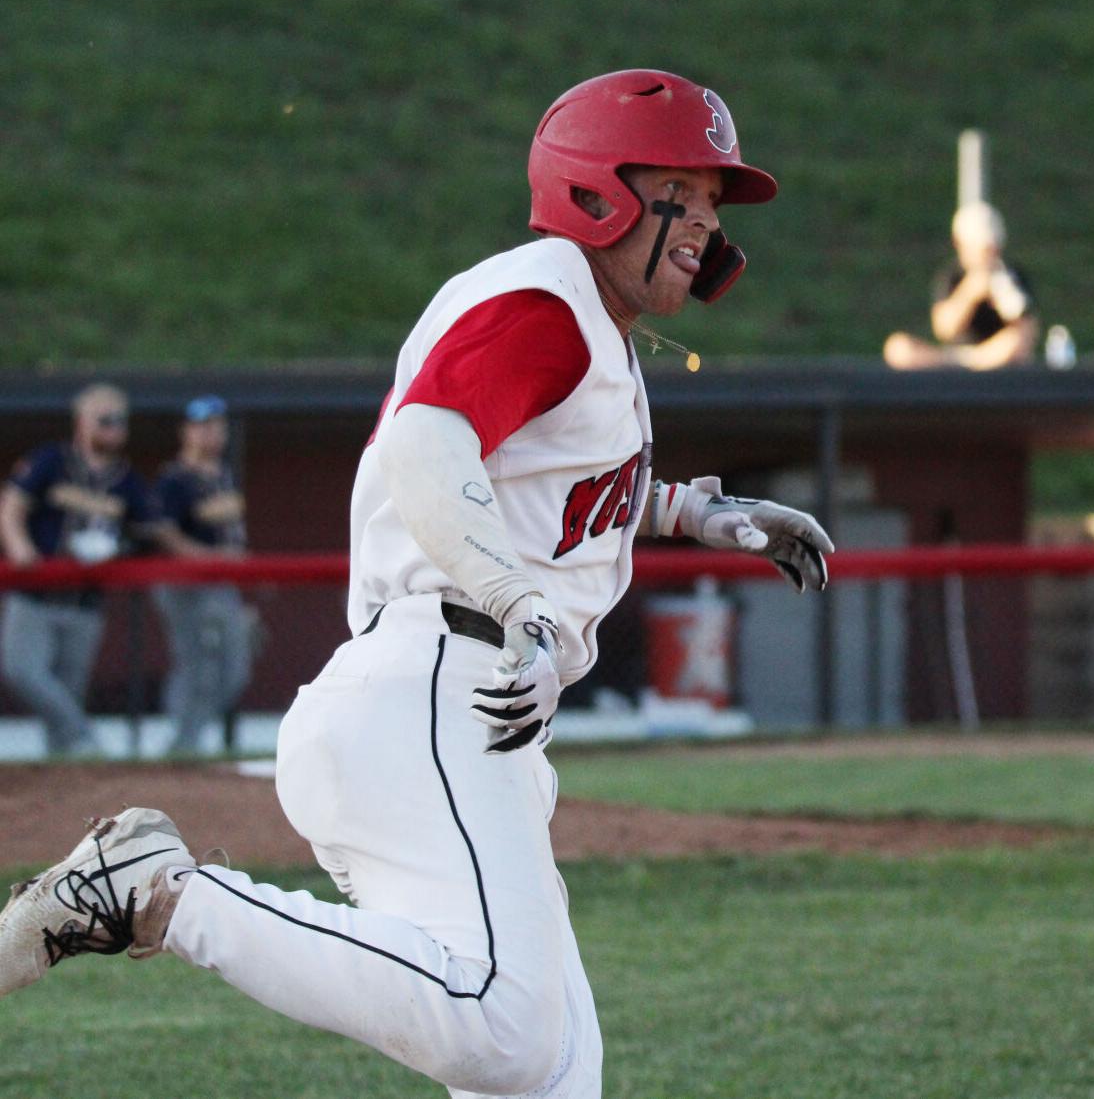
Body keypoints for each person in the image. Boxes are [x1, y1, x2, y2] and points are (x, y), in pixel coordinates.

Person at [0, 70, 834, 1098]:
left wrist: (688, 512)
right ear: (600, 187)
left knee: (552, 1077)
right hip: (440, 686)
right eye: (689, 189)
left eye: (717, 198)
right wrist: (521, 601)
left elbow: (541, 477)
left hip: (450, 704)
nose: (710, 219)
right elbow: (428, 447)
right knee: (509, 1037)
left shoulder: (582, 321)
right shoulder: (548, 300)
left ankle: (159, 891)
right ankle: (161, 894)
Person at [0, 383, 166, 756]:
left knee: (68, 688)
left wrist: (118, 550)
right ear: (82, 422)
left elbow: (148, 534)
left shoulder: (127, 480)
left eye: (120, 421)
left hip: (85, 601)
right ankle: (86, 739)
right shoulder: (51, 461)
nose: (113, 429)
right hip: (35, 592)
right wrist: (19, 546)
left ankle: (65, 777)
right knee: (21, 670)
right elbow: (11, 506)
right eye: (104, 420)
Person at [152, 395, 254, 754]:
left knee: (234, 668)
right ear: (187, 432)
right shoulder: (175, 479)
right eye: (202, 427)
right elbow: (164, 534)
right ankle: (184, 743)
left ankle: (188, 739)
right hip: (185, 584)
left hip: (221, 585)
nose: (211, 434)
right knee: (195, 666)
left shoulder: (223, 476)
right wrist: (211, 557)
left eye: (217, 427)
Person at [883, 200, 1039, 370]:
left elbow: (1025, 334)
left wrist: (1004, 299)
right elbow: (943, 329)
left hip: (995, 357)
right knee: (898, 348)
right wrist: (970, 292)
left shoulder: (1010, 275)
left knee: (1014, 342)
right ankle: (963, 364)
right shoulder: (952, 276)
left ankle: (972, 364)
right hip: (953, 356)